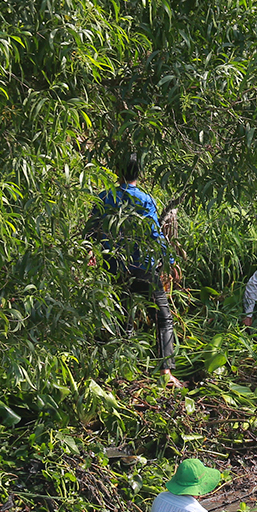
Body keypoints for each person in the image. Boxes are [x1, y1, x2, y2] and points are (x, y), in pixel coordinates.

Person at [85, 154, 180, 387]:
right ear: (140, 173)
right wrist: (169, 262)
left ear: (118, 172)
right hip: (143, 268)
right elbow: (154, 235)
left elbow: (91, 230)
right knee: (163, 317)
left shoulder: (105, 197)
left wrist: (91, 253)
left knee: (122, 314)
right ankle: (165, 373)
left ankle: (120, 371)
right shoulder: (145, 200)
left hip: (114, 266)